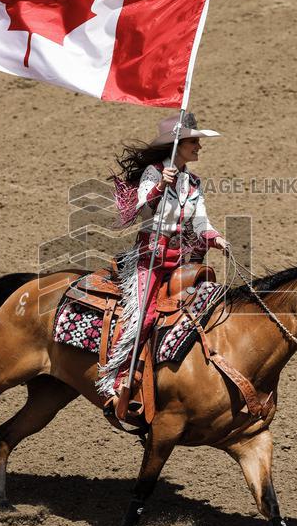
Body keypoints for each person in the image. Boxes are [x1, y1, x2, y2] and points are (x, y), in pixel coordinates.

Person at [97, 112, 230, 401]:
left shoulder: (194, 182)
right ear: (178, 144)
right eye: (193, 141)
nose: (199, 146)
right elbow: (143, 210)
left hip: (185, 259)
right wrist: (160, 186)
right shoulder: (154, 173)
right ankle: (117, 377)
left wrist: (215, 237)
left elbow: (200, 223)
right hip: (151, 258)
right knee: (143, 317)